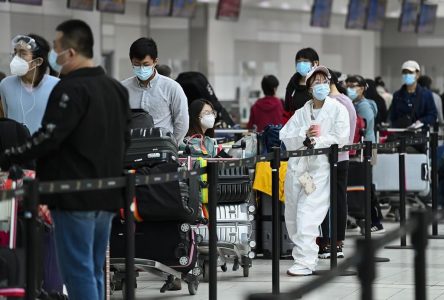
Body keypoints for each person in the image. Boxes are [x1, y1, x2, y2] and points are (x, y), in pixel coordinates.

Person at [0, 19, 131, 300]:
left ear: (70, 52)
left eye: (57, 48)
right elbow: (126, 140)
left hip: (74, 196)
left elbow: (49, 138)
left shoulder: (69, 88)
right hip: (107, 195)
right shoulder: (116, 88)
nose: (53, 55)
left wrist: (9, 155)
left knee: (77, 271)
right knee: (94, 269)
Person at [280, 66, 349, 276]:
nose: (321, 86)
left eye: (324, 81)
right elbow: (285, 136)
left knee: (307, 214)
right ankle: (301, 255)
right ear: (309, 88)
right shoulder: (302, 112)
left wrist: (316, 140)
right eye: (316, 82)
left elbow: (341, 137)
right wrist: (304, 135)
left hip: (319, 169)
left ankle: (306, 261)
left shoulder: (338, 109)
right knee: (292, 215)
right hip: (299, 170)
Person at [318, 69, 356, 259]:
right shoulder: (345, 101)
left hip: (335, 158)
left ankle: (332, 241)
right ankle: (334, 241)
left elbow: (343, 135)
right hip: (338, 157)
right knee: (336, 199)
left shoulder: (338, 103)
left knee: (333, 200)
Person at [122, 38, 189, 144]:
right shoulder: (123, 89)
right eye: (137, 64)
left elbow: (182, 123)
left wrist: (170, 146)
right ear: (131, 62)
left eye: (146, 64)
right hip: (132, 151)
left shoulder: (172, 88)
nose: (141, 68)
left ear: (155, 62)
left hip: (162, 150)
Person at [0, 34, 59, 134]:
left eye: (22, 53)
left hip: (44, 147)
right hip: (14, 146)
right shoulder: (6, 84)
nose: (16, 58)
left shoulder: (56, 85)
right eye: (15, 53)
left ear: (38, 61)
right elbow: (6, 118)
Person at [390, 60, 437, 129]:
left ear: (417, 74)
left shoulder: (426, 94)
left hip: (421, 135)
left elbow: (433, 115)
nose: (407, 75)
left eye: (410, 72)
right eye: (404, 72)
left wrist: (421, 121)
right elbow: (393, 117)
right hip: (401, 135)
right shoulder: (397, 95)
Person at [282, 47, 320, 124]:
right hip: (294, 129)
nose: (301, 64)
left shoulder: (321, 84)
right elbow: (286, 109)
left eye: (305, 61)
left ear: (316, 63)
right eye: (298, 62)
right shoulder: (292, 83)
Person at [345, 75, 378, 143]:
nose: (348, 89)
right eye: (347, 86)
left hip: (365, 146)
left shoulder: (364, 106)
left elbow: (361, 128)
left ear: (362, 88)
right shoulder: (353, 103)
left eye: (352, 86)